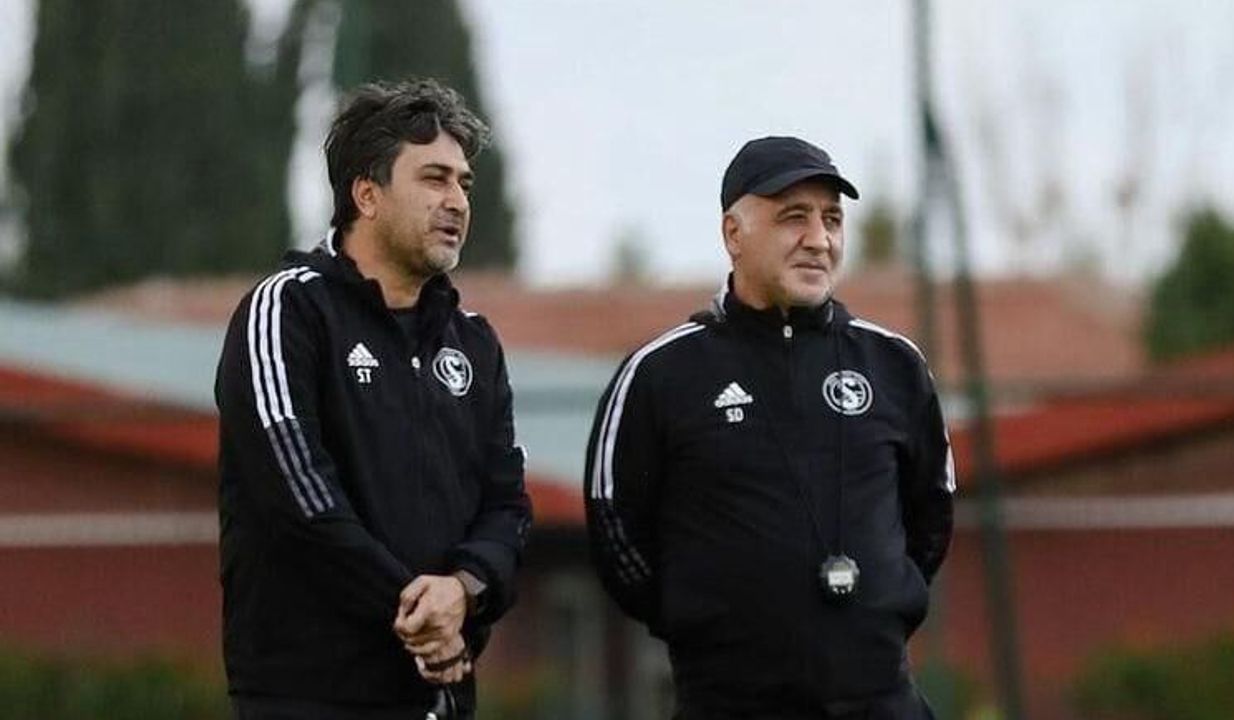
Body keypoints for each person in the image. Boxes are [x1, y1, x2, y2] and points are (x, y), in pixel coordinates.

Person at [584, 136, 955, 719]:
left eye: (832, 219)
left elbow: (931, 516)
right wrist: (700, 617)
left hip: (881, 700)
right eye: (793, 217)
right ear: (734, 234)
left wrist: (878, 604)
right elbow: (615, 527)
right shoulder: (662, 373)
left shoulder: (894, 365)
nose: (819, 239)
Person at [216, 78, 532, 720]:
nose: (456, 201)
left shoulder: (474, 343)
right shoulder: (286, 310)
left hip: (440, 691)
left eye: (464, 184)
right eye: (434, 179)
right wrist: (419, 612)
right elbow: (299, 497)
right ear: (367, 194)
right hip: (310, 695)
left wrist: (463, 590)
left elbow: (507, 507)